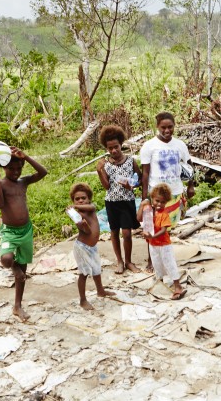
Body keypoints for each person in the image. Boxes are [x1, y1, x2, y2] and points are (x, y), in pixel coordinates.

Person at [0, 146, 48, 321]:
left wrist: (26, 156)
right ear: (4, 168)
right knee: (7, 260)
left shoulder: (23, 182)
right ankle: (15, 269)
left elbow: (43, 172)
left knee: (22, 273)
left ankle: (17, 306)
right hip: (9, 232)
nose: (15, 172)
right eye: (11, 168)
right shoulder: (0, 185)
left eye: (18, 168)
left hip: (26, 231)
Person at [96, 125, 142, 275]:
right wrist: (99, 171)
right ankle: (119, 261)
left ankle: (128, 261)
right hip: (111, 202)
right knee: (114, 232)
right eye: (110, 148)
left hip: (127, 200)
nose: (114, 151)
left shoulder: (130, 161)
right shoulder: (106, 164)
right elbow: (106, 186)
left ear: (121, 144)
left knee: (127, 233)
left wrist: (132, 185)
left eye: (116, 147)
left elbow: (139, 179)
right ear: (106, 148)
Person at [140, 111, 194, 227]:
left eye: (170, 127)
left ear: (174, 125)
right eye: (163, 127)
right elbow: (145, 173)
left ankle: (167, 245)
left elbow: (189, 165)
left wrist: (191, 185)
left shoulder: (180, 145)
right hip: (156, 196)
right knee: (152, 228)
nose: (167, 130)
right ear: (157, 127)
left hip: (175, 193)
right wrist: (144, 197)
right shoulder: (149, 146)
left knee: (170, 228)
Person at [69, 183, 116, 310]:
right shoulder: (78, 215)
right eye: (76, 199)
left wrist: (74, 206)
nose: (80, 200)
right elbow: (87, 232)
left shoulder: (91, 208)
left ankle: (100, 291)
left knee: (96, 270)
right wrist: (83, 226)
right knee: (84, 273)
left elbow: (90, 207)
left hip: (92, 247)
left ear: (89, 198)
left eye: (83, 198)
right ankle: (82, 300)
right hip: (82, 247)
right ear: (73, 200)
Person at [138, 184, 185, 300]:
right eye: (157, 201)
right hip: (153, 245)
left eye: (162, 202)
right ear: (152, 198)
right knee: (156, 264)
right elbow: (139, 218)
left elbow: (164, 230)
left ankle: (178, 286)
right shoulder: (149, 210)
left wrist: (152, 236)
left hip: (164, 245)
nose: (159, 204)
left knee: (169, 264)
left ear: (166, 202)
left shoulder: (164, 214)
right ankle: (160, 283)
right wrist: (141, 205)